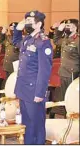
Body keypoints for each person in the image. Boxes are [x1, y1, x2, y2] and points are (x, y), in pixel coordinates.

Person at [13, 10, 53, 144]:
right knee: (27, 124)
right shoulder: (28, 39)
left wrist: (40, 93)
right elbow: (16, 42)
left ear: (39, 24)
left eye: (30, 22)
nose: (27, 24)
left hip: (34, 90)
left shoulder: (43, 42)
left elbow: (44, 71)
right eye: (26, 21)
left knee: (36, 125)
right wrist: (17, 30)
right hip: (24, 89)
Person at [53, 19, 79, 117]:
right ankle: (65, 116)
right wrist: (59, 30)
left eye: (69, 26)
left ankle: (72, 116)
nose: (67, 28)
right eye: (66, 26)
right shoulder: (65, 39)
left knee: (71, 96)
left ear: (75, 28)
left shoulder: (77, 40)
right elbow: (56, 40)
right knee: (64, 95)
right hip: (63, 72)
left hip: (73, 73)